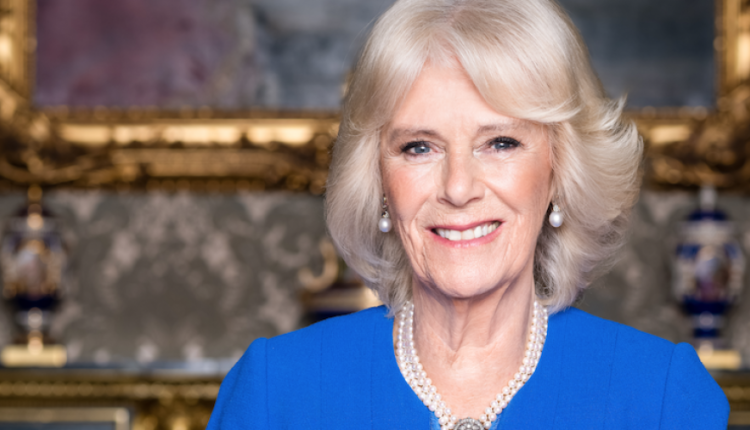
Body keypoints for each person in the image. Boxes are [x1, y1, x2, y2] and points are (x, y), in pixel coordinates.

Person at [207, 0, 729, 428]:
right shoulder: (275, 392)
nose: (458, 188)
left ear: (560, 171)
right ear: (379, 181)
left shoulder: (663, 397)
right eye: (419, 147)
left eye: (500, 143)